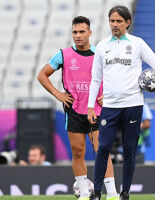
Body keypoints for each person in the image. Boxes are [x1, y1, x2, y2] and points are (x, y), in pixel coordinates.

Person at [87, 6, 155, 200]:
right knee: (102, 148)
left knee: (129, 151)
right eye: (112, 21)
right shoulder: (101, 46)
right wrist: (90, 106)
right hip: (109, 106)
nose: (115, 24)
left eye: (119, 21)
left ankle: (125, 193)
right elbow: (95, 79)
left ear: (128, 22)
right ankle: (97, 193)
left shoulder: (137, 43)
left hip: (133, 105)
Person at [37, 16, 118, 200]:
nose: (78, 35)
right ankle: (83, 192)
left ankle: (112, 193)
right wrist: (58, 94)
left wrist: (109, 94)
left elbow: (115, 77)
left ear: (90, 33)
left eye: (82, 32)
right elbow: (42, 75)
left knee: (102, 150)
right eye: (75, 32)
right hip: (74, 110)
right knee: (78, 152)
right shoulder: (63, 55)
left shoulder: (101, 54)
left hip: (97, 110)